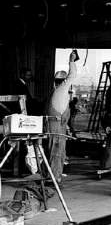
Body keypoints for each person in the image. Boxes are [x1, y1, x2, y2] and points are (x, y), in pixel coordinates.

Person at [45, 50, 78, 183]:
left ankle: (53, 174)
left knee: (57, 151)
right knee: (57, 151)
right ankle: (54, 177)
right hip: (56, 126)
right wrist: (72, 61)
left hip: (56, 125)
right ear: (63, 81)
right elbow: (73, 75)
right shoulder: (62, 89)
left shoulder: (54, 92)